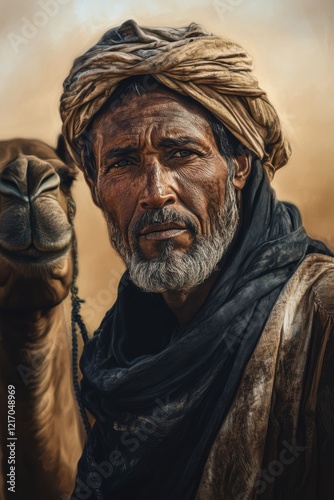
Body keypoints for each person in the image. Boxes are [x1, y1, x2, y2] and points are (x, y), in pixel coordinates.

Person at [60, 20, 334, 500]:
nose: (155, 192)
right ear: (96, 189)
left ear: (240, 164)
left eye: (182, 153)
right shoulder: (117, 353)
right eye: (122, 163)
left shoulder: (321, 322)